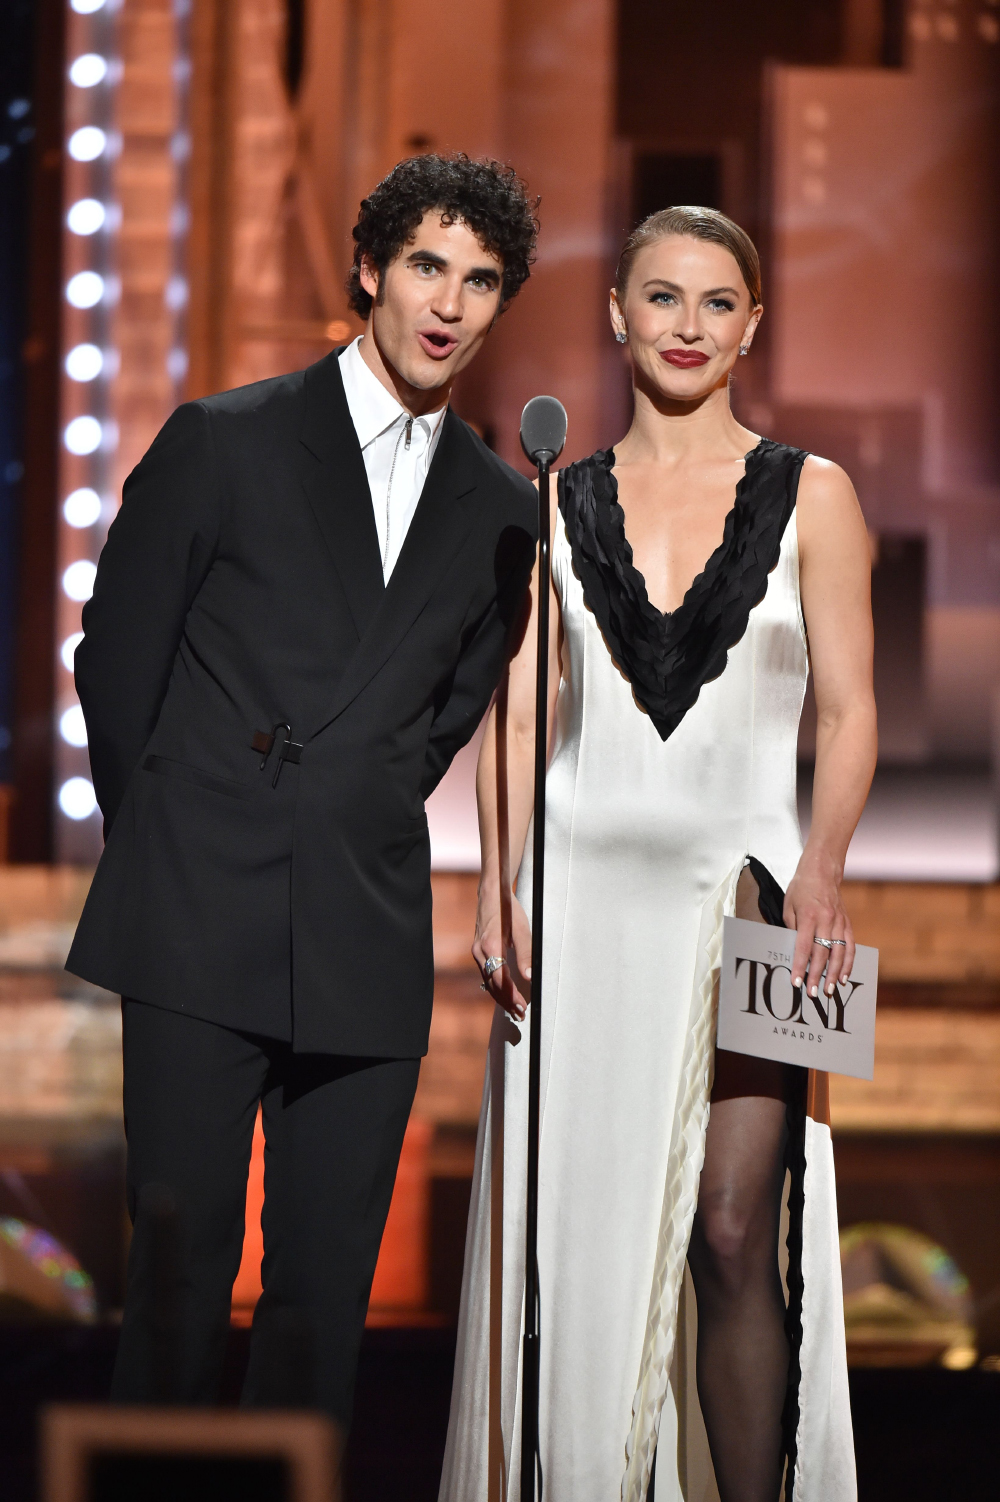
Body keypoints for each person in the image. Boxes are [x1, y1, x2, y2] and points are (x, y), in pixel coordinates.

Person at [66, 153, 539, 1437]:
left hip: (360, 920)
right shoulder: (227, 437)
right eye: (428, 266)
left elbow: (448, 710)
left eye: (479, 279)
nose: (448, 301)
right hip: (198, 905)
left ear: (499, 307)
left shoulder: (504, 509)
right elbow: (118, 657)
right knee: (174, 1292)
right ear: (372, 271)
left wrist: (349, 796)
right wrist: (180, 827)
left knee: (321, 1313)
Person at [440, 206, 874, 1502]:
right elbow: (520, 709)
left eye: (716, 302)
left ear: (752, 328)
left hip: (766, 903)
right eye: (662, 297)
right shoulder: (557, 496)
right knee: (577, 1246)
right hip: (577, 903)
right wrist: (490, 880)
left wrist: (827, 870)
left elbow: (852, 710)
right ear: (618, 317)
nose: (689, 324)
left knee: (746, 1228)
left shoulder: (819, 494)